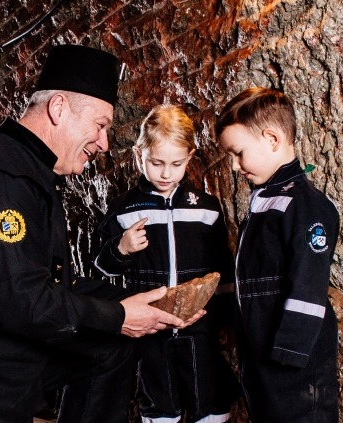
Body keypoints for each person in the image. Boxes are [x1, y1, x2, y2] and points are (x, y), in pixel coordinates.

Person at [0, 45, 204, 423]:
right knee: (114, 331)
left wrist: (146, 303)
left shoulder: (33, 173)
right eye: (101, 125)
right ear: (58, 109)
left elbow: (56, 286)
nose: (104, 143)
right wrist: (119, 316)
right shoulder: (1, 181)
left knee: (113, 347)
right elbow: (24, 302)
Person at [92, 105, 240, 423]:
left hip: (200, 327)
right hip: (150, 331)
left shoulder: (207, 208)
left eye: (176, 163)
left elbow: (223, 269)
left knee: (210, 404)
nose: (165, 173)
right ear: (139, 155)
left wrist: (228, 320)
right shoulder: (124, 209)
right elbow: (101, 268)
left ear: (190, 156)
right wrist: (121, 247)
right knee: (159, 406)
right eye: (156, 162)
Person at [214, 87, 340, 422]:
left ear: (271, 138)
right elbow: (248, 272)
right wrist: (229, 320)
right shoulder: (265, 200)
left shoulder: (306, 205)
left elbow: (309, 280)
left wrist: (291, 347)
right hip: (260, 348)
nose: (236, 165)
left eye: (238, 153)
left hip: (294, 358)